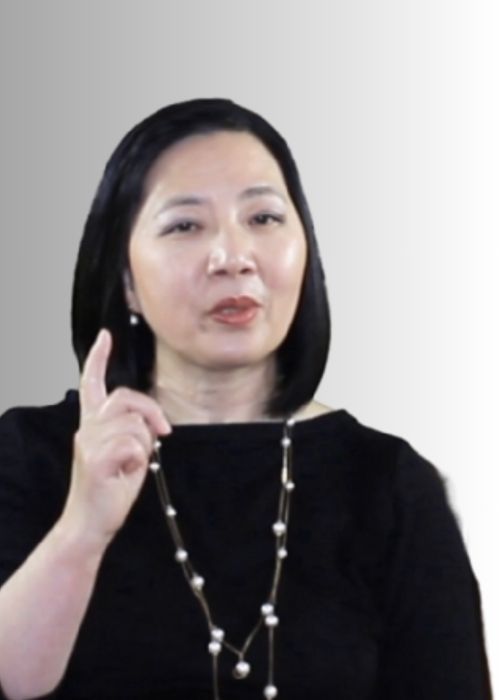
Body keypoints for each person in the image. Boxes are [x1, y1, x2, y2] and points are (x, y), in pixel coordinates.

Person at [0, 98, 492, 700]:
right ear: (125, 278)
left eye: (263, 218)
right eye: (185, 225)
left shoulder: (388, 484)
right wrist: (82, 531)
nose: (233, 258)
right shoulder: (29, 455)